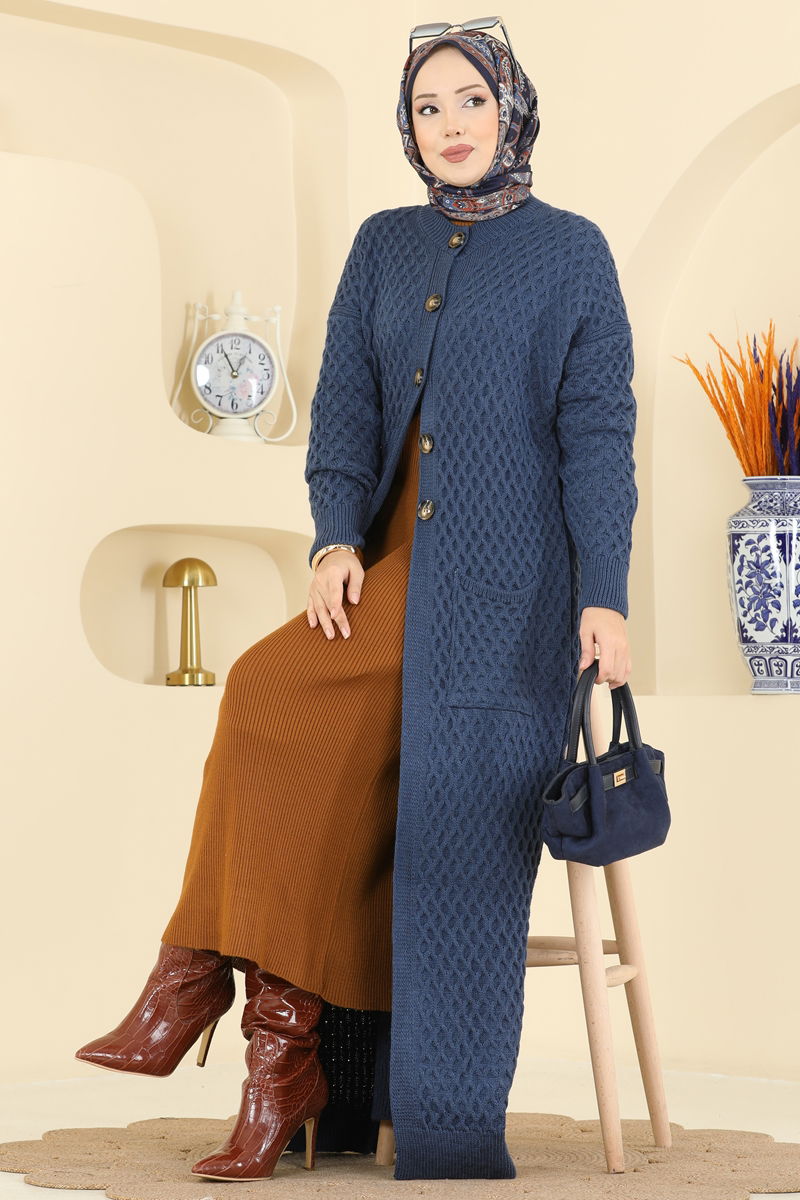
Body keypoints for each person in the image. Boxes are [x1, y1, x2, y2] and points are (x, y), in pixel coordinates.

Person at [74, 21, 637, 1184]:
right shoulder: (383, 245)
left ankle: (217, 998)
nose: (450, 124)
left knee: (332, 748)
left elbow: (597, 437)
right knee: (266, 693)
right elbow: (342, 408)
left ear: (511, 108)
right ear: (407, 129)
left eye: (469, 99)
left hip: (505, 594)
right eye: (427, 107)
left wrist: (604, 595)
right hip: (388, 567)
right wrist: (334, 536)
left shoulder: (571, 253)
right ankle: (263, 1039)